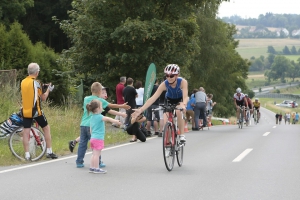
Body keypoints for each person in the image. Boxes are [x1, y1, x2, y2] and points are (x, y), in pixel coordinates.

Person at [75, 82, 128, 168]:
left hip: (83, 124)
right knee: (96, 144)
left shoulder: (86, 99)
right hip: (92, 125)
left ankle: (79, 161)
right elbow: (111, 105)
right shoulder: (99, 100)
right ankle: (98, 162)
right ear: (100, 91)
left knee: (82, 144)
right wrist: (122, 105)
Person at [132, 64, 188, 143]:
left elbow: (185, 96)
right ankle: (168, 143)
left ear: (177, 75)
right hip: (168, 100)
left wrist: (184, 104)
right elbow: (152, 98)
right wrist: (141, 109)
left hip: (179, 100)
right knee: (166, 122)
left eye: (171, 76)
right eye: (167, 75)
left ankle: (182, 135)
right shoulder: (164, 84)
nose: (169, 78)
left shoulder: (183, 82)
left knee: (179, 111)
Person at [68, 86, 129, 153]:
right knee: (92, 137)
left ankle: (74, 142)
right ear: (99, 93)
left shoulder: (101, 103)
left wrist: (121, 114)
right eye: (103, 93)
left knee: (86, 136)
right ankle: (96, 157)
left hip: (90, 123)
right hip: (92, 122)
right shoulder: (97, 103)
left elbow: (110, 110)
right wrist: (122, 107)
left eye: (105, 92)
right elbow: (111, 107)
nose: (105, 94)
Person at [20, 63, 57, 160]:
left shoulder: (23, 82)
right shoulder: (37, 83)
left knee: (26, 132)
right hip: (36, 111)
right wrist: (48, 89)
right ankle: (49, 151)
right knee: (46, 128)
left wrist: (43, 86)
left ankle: (27, 155)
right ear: (37, 72)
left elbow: (31, 90)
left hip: (25, 111)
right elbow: (43, 97)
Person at [86, 99, 121, 174]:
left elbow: (91, 129)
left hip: (93, 138)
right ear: (98, 108)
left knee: (94, 154)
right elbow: (108, 118)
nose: (102, 108)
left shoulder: (92, 117)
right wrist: (116, 121)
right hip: (98, 138)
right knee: (97, 154)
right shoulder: (99, 116)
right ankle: (97, 168)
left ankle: (92, 167)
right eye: (101, 106)